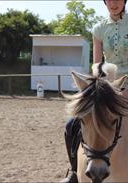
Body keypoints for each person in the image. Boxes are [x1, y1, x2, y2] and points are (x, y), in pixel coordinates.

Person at [64, 0, 128, 182]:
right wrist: (98, 87)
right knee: (71, 124)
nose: (113, 3)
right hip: (108, 86)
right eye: (109, 0)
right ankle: (74, 171)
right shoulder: (99, 28)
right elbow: (98, 64)